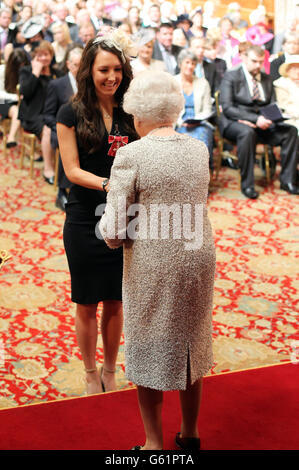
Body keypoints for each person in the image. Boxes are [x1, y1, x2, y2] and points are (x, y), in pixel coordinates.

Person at [99, 70, 216, 451]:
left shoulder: (131, 154)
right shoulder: (199, 148)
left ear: (139, 115)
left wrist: (109, 232)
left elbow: (115, 229)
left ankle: (153, 444)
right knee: (190, 341)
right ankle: (191, 433)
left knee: (149, 342)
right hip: (198, 255)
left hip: (155, 261)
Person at [56, 29, 138, 395]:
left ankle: (109, 370)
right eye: (104, 70)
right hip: (84, 217)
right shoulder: (70, 112)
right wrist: (109, 185)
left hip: (124, 217)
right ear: (90, 71)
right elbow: (71, 170)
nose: (112, 77)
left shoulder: (131, 111)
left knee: (116, 300)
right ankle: (90, 373)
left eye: (117, 69)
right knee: (87, 301)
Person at [219, 44, 299, 198]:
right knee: (247, 133)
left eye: (261, 62)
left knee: (290, 131)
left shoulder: (267, 78)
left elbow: (272, 105)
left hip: (263, 123)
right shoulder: (231, 76)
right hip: (236, 122)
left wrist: (273, 118)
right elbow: (228, 108)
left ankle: (288, 181)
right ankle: (247, 185)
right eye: (254, 61)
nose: (258, 66)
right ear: (244, 58)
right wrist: (255, 119)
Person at [44, 46, 83, 210]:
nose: (79, 69)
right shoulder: (57, 84)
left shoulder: (89, 84)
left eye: (82, 65)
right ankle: (62, 191)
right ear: (68, 64)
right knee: (68, 142)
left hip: (84, 128)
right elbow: (48, 115)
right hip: (60, 129)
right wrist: (63, 128)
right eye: (75, 65)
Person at [18, 40, 59, 183]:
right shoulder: (27, 71)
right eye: (39, 55)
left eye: (46, 54)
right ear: (34, 57)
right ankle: (48, 170)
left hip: (52, 113)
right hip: (32, 115)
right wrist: (35, 72)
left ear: (51, 55)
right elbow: (26, 93)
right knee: (47, 129)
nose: (43, 58)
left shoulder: (56, 73)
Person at [175, 49, 214, 169]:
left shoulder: (203, 83)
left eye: (193, 63)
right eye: (187, 62)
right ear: (180, 63)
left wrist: (197, 120)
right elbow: (169, 109)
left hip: (199, 123)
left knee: (202, 144)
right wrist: (181, 122)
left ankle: (201, 180)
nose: (190, 66)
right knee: (181, 147)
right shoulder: (172, 81)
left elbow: (207, 109)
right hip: (178, 123)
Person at [0, 48, 30, 147]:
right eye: (18, 66)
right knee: (17, 111)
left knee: (20, 110)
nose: (21, 69)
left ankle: (24, 143)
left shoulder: (27, 73)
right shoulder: (3, 70)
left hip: (20, 103)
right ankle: (11, 138)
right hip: (3, 101)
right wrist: (16, 97)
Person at [274, 56, 299, 134]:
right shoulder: (280, 84)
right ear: (287, 70)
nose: (298, 71)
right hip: (291, 119)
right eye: (294, 68)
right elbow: (285, 106)